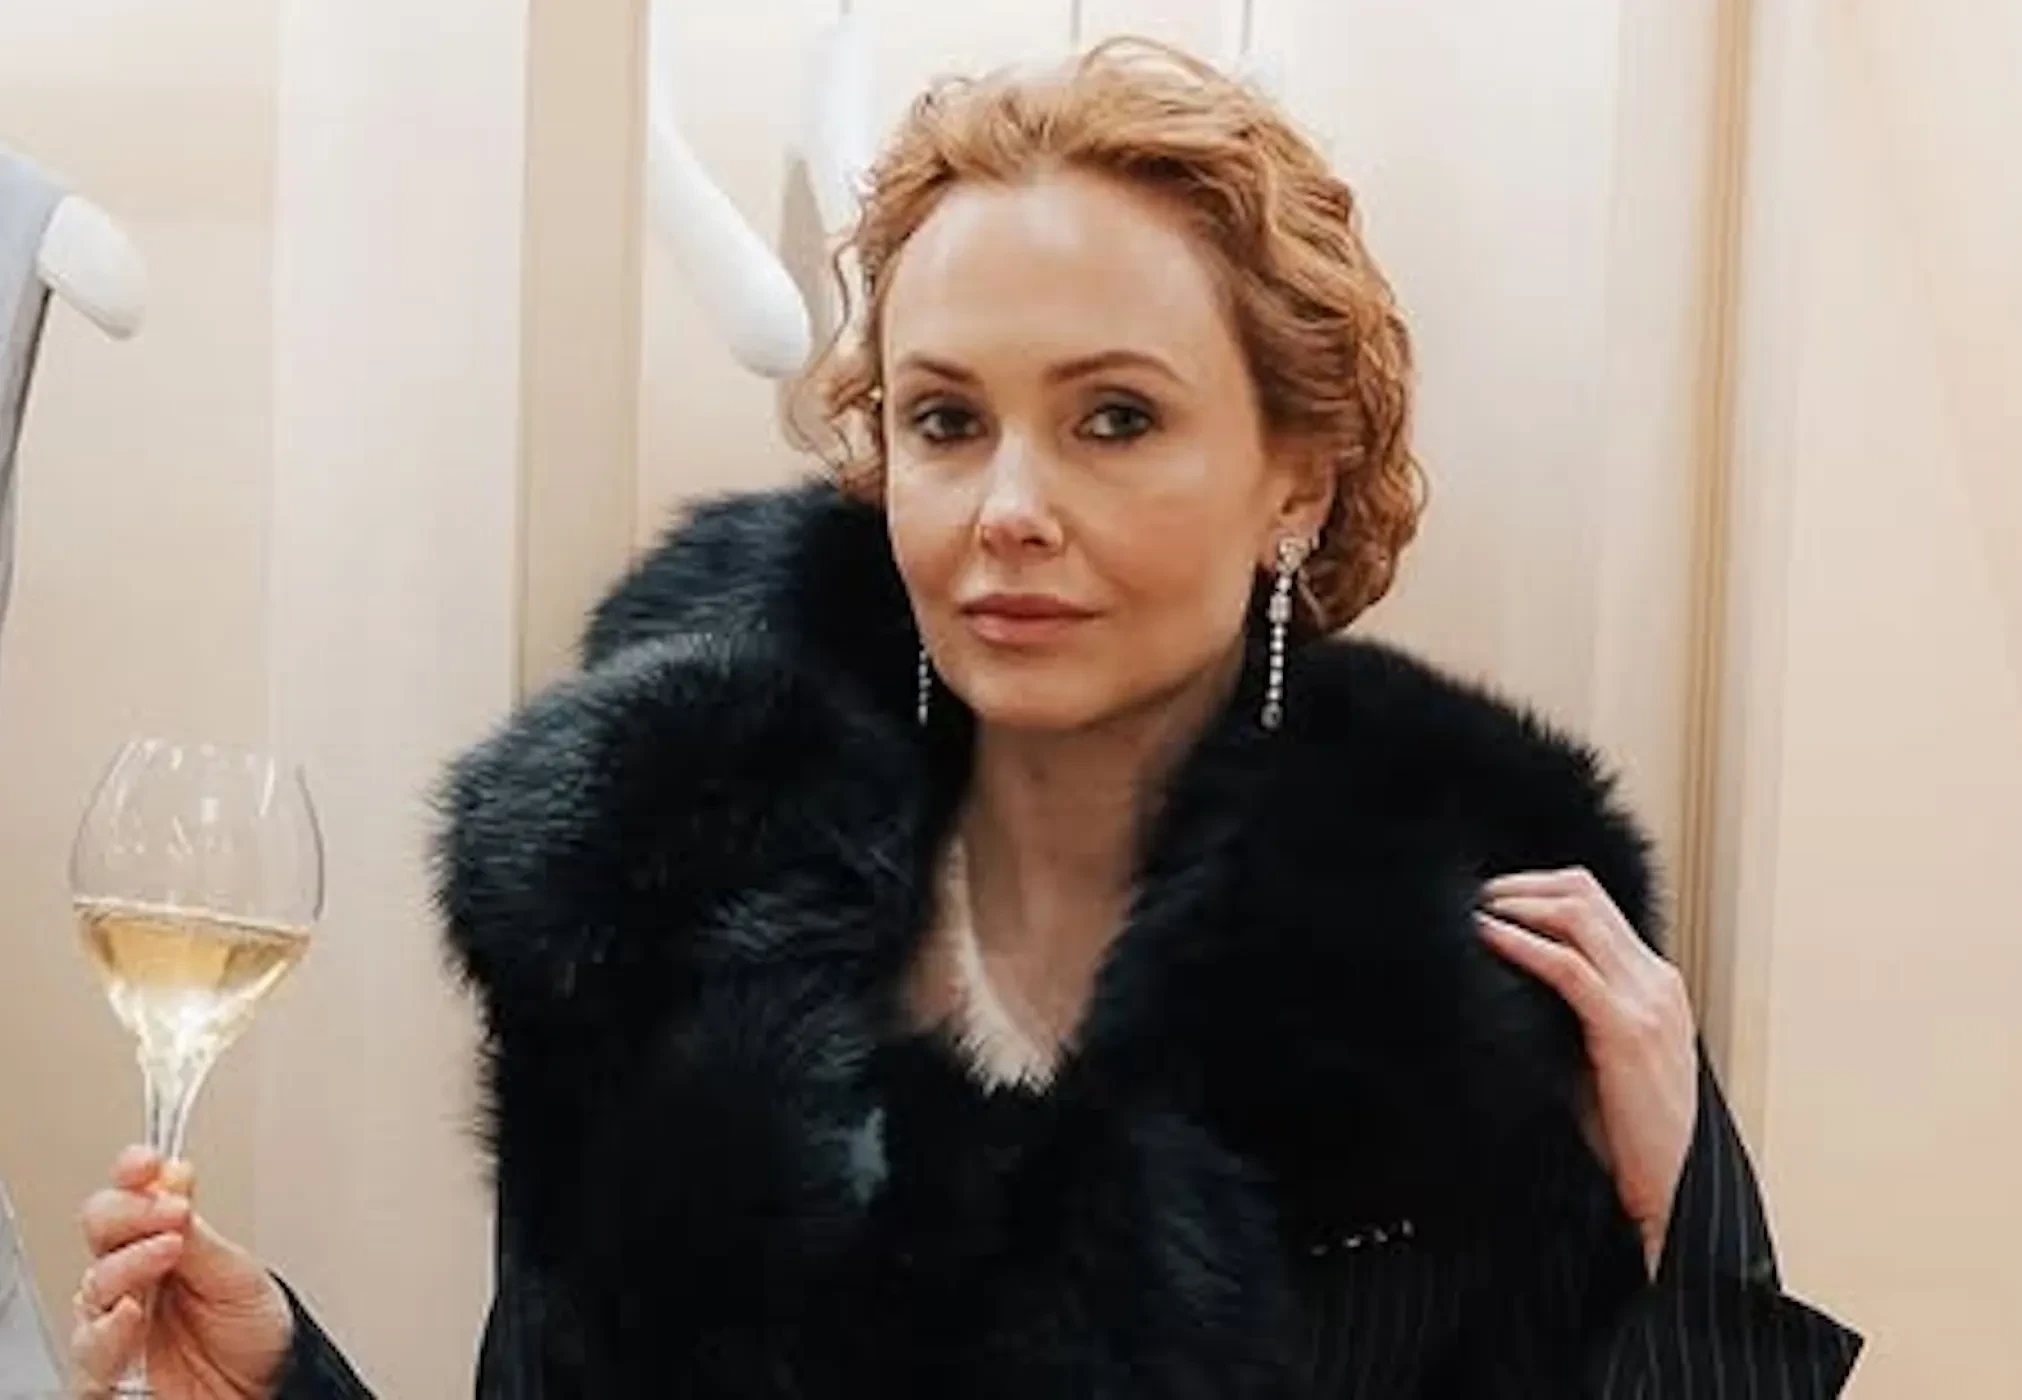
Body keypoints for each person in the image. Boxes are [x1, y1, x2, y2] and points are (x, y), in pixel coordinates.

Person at [70, 39, 1861, 1398]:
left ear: (1295, 482)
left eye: (1113, 420)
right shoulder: (658, 915)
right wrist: (283, 1384)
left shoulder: (1480, 999)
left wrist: (1691, 1251)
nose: (1007, 506)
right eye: (944, 421)